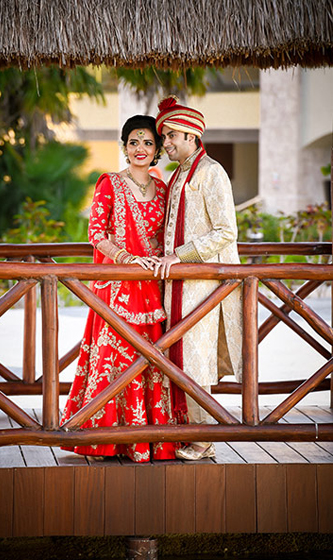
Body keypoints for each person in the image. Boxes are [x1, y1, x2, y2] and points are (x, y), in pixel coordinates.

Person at [60, 115, 177, 463]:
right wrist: (127, 258)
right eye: (133, 142)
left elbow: (169, 238)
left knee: (153, 359)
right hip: (117, 289)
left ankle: (148, 438)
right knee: (117, 360)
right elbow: (96, 234)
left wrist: (164, 259)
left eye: (148, 143)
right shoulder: (109, 183)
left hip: (153, 290)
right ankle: (105, 439)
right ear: (124, 147)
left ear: (157, 150)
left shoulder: (166, 188)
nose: (140, 149)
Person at [154, 96, 243, 461]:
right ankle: (187, 431)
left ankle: (203, 437)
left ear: (192, 134)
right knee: (178, 356)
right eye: (166, 136)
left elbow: (226, 231)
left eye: (172, 135)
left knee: (194, 359)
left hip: (202, 284)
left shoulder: (211, 172)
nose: (167, 143)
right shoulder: (178, 175)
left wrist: (181, 255)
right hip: (176, 283)